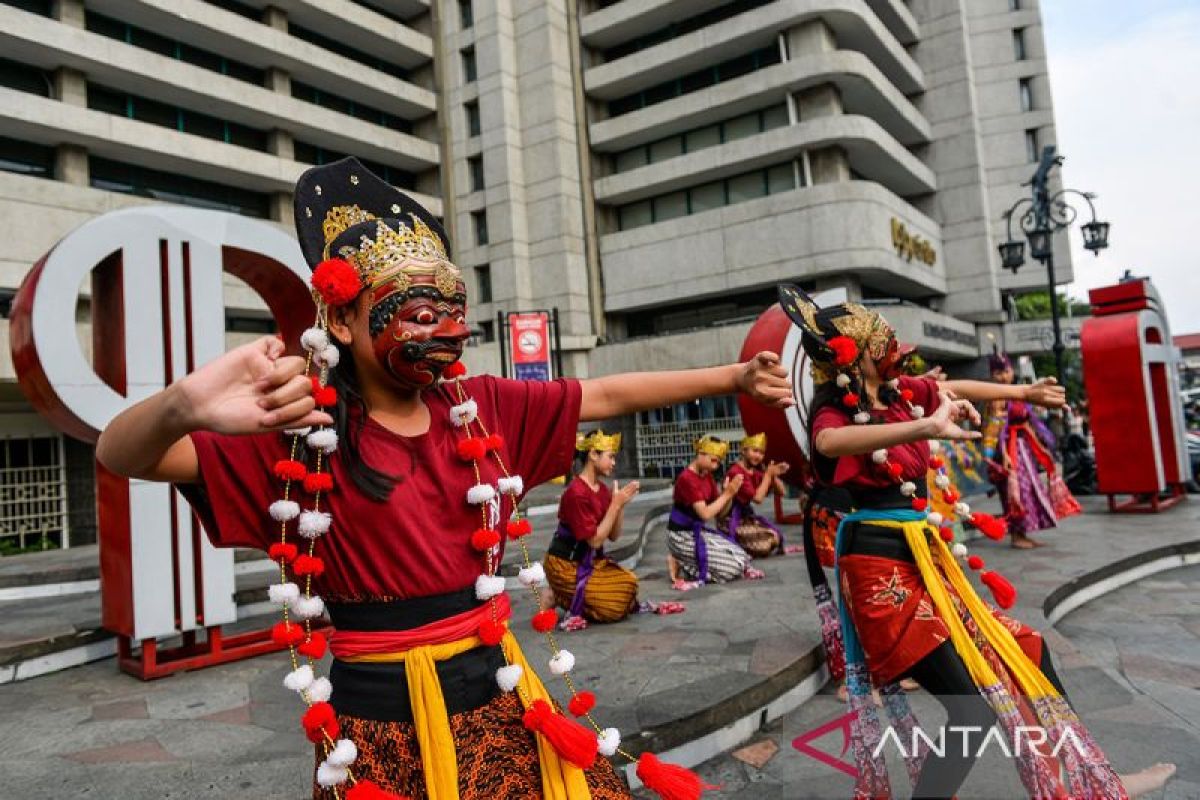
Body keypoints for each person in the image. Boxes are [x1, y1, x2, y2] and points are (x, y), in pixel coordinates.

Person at [94, 157, 795, 800]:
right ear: (341, 319)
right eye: (422, 316)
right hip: (377, 719)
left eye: (455, 315)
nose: (448, 333)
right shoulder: (302, 439)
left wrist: (732, 376)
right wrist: (182, 405)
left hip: (497, 693)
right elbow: (119, 455)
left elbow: (605, 394)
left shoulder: (481, 409)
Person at [780, 284, 1174, 799]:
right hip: (879, 569)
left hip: (926, 557)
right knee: (971, 707)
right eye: (881, 340)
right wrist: (927, 426)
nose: (892, 347)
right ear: (856, 358)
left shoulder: (899, 394)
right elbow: (828, 443)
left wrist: (1022, 394)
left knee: (1028, 650)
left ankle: (1086, 780)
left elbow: (957, 387)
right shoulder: (839, 412)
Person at [543, 430, 643, 630]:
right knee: (612, 608)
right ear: (593, 455)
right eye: (611, 456)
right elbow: (595, 541)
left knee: (629, 583)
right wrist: (615, 505)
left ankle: (563, 595)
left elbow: (613, 536)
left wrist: (619, 505)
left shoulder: (603, 490)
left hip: (590, 562)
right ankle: (556, 595)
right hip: (565, 564)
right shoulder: (576, 493)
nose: (614, 463)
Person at [982, 349, 1082, 549]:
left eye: (1006, 370)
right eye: (998, 372)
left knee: (1029, 491)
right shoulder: (995, 397)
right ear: (992, 375)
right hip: (1008, 451)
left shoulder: (1019, 393)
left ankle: (1023, 533)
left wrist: (1040, 446)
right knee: (1015, 492)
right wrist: (1000, 456)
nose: (1003, 376)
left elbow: (1027, 422)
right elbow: (993, 429)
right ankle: (1017, 536)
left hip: (1023, 448)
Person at [666, 435, 763, 590]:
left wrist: (729, 494)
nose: (716, 465)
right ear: (701, 454)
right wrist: (728, 494)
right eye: (714, 460)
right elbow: (705, 514)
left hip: (697, 531)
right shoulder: (686, 478)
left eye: (718, 461)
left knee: (742, 557)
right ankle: (680, 561)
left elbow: (721, 513)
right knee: (730, 570)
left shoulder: (707, 476)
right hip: (681, 536)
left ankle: (686, 562)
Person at [722, 433, 794, 558]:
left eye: (761, 453)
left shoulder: (754, 472)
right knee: (765, 545)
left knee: (775, 537)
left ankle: (746, 544)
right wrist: (768, 475)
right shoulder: (736, 472)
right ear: (743, 451)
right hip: (730, 520)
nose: (758, 456)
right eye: (755, 451)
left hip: (746, 519)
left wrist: (774, 475)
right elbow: (758, 499)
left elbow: (782, 492)